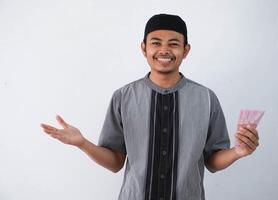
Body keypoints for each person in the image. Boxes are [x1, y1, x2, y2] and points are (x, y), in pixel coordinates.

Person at [41, 14, 259, 200]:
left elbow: (213, 161)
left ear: (186, 50)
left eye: (174, 44)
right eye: (156, 43)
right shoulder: (123, 97)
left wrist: (238, 152)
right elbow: (115, 162)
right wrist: (82, 143)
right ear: (144, 48)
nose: (164, 50)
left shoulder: (206, 98)